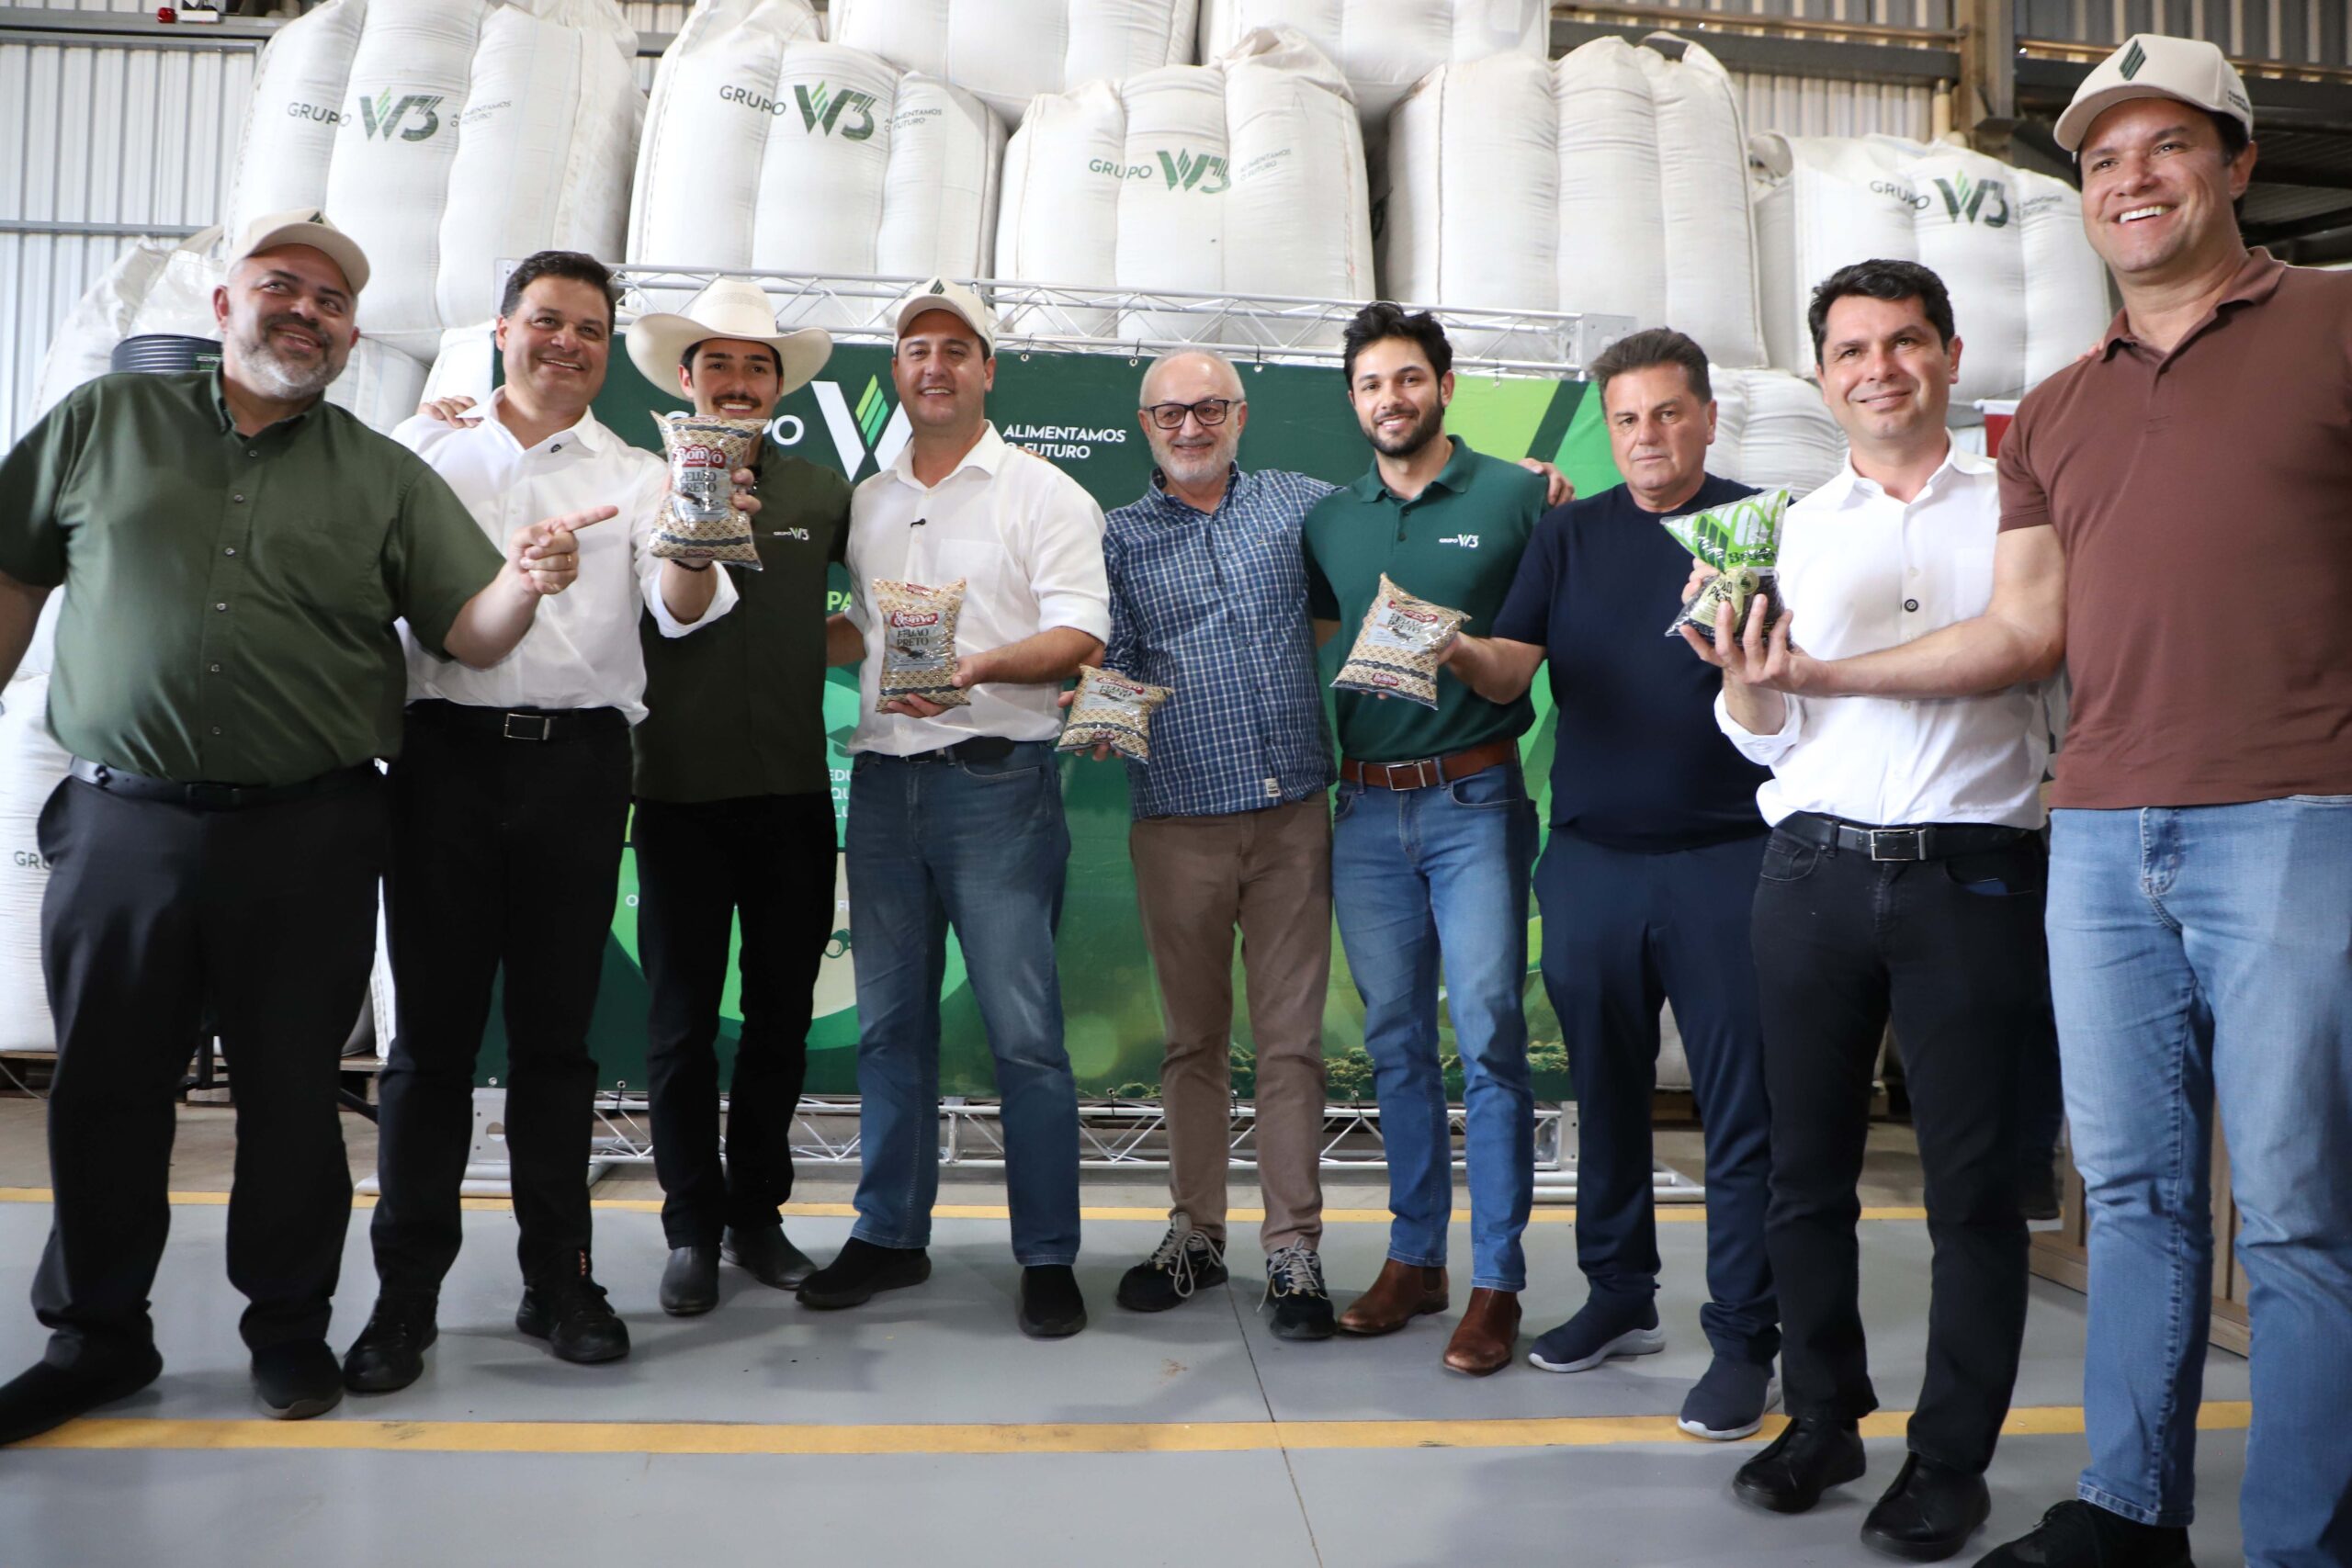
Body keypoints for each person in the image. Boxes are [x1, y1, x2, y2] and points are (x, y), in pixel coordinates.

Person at [1729, 38, 2349, 1568]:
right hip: (2100, 831)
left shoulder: (2335, 325)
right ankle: (2130, 1513)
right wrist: (1812, 676)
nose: (2132, 179)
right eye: (2101, 159)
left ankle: (2300, 1539)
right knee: (2127, 1193)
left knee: (2291, 1209)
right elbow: (2022, 632)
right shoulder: (2060, 411)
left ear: (2237, 161)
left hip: (2290, 813)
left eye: (2167, 145)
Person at [0, 210, 602, 1442]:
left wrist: (524, 581)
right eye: (282, 286)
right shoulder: (103, 423)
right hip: (121, 825)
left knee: (289, 1096)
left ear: (349, 336)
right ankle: (96, 1334)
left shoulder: (381, 473)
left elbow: (466, 631)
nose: (306, 313)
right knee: (105, 1091)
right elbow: (14, 571)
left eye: (331, 302)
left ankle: (286, 1325)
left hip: (309, 832)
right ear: (225, 305)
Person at [1690, 260, 2057, 1561]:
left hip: (1973, 874)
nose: (1879, 369)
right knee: (1803, 1174)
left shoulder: (2020, 510)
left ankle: (1949, 1461)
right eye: (1851, 350)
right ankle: (1822, 1417)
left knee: (1973, 1189)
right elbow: (1761, 729)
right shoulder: (1787, 528)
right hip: (1811, 873)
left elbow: (2042, 659)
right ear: (1820, 376)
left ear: (1950, 356)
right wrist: (1741, 674)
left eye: (1904, 342)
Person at [343, 251, 752, 1392]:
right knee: (429, 1046)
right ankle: (404, 1296)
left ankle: (559, 1278)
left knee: (557, 1046)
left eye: (587, 328)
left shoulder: (642, 474)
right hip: (440, 761)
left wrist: (697, 533)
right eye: (545, 320)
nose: (565, 342)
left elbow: (684, 610)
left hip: (578, 767)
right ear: (501, 330)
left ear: (608, 348)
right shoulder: (422, 452)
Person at [1442, 327, 1781, 1439]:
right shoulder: (1568, 534)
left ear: (1707, 418)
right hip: (1591, 857)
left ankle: (1745, 1337)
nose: (1647, 437)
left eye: (1668, 414)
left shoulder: (1757, 527)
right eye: (1627, 418)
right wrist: (1456, 649)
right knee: (1605, 1093)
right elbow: (1513, 666)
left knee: (1741, 1107)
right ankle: (1620, 1295)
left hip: (1730, 854)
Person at [794, 277, 1109, 1339]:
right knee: (889, 1029)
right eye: (916, 350)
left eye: (955, 349)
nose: (934, 366)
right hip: (885, 786)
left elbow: (1080, 635)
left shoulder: (1044, 495)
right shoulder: (867, 503)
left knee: (1026, 1038)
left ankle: (1047, 1254)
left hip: (996, 787)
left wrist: (973, 668)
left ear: (987, 370)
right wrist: (774, 643)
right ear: (897, 371)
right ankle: (888, 1234)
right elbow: (862, 631)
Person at [1304, 301, 1547, 1376]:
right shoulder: (1330, 520)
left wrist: (1449, 646)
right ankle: (1414, 1261)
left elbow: (1517, 668)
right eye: (1370, 384)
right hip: (1363, 810)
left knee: (1488, 1037)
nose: (1389, 399)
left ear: (1444, 386)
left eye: (1407, 378)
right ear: (1353, 401)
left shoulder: (1516, 497)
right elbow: (1301, 639)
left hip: (1473, 802)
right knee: (1394, 1043)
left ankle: (1496, 1282)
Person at [1089, 349, 1343, 1340]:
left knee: (1292, 1044)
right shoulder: (1116, 537)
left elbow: (1387, 528)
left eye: (1208, 409)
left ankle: (1293, 1250)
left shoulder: (1300, 504)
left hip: (1292, 820)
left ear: (1241, 415)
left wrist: (1528, 485)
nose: (1189, 427)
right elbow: (1107, 659)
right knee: (1192, 1042)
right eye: (1169, 414)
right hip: (1177, 822)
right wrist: (1100, 713)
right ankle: (1195, 1234)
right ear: (1144, 427)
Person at [619, 278, 843, 1317]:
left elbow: (895, 589)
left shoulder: (823, 493)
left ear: (779, 385)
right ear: (687, 378)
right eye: (720, 363)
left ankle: (757, 1217)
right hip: (676, 793)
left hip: (794, 793)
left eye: (758, 365)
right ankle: (689, 1229)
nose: (740, 381)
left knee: (779, 1022)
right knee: (677, 1028)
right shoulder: (644, 487)